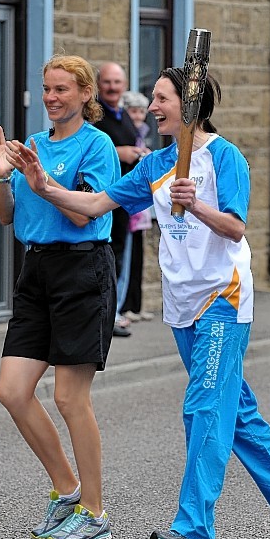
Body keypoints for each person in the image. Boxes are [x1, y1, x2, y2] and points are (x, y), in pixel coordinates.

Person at [5, 67, 270, 539]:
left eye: (161, 99)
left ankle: (195, 529)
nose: (151, 107)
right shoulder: (155, 165)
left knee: (204, 408)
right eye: (153, 98)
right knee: (231, 408)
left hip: (224, 298)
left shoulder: (223, 158)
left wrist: (196, 207)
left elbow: (235, 228)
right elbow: (97, 203)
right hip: (182, 303)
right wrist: (42, 186)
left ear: (190, 106)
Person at [0, 54, 120, 539]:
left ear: (85, 94)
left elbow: (86, 215)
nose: (51, 97)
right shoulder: (32, 147)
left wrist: (44, 183)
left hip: (82, 270)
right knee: (12, 391)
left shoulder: (97, 146)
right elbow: (7, 217)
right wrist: (4, 176)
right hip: (36, 271)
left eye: (61, 89)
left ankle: (95, 511)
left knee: (69, 397)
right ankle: (67, 489)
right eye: (46, 88)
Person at [94, 62, 150, 337]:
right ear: (98, 84)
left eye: (117, 82)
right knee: (108, 257)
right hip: (104, 200)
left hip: (124, 202)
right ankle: (107, 316)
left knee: (120, 257)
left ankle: (113, 312)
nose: (113, 87)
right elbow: (90, 150)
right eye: (107, 82)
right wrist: (121, 153)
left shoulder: (122, 115)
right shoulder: (94, 115)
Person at [120, 90, 155, 322]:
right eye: (134, 111)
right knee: (125, 257)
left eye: (142, 111)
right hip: (127, 204)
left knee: (137, 256)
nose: (139, 116)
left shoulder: (141, 135)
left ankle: (135, 304)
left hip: (139, 207)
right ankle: (124, 307)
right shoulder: (123, 134)